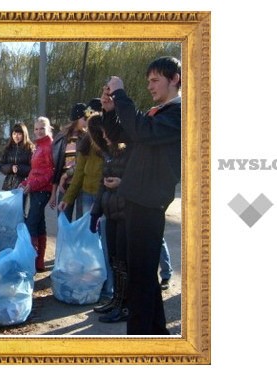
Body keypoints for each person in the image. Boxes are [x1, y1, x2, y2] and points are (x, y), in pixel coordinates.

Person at [101, 56, 181, 335]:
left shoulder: (179, 114)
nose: (150, 85)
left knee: (141, 279)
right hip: (136, 200)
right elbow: (122, 135)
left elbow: (141, 132)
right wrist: (111, 110)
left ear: (175, 80)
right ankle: (158, 335)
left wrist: (121, 94)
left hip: (149, 204)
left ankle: (141, 342)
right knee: (143, 277)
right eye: (148, 81)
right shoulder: (157, 113)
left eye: (155, 79)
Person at [87, 114, 131, 323]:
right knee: (114, 259)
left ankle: (125, 306)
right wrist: (95, 212)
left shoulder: (130, 150)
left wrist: (121, 183)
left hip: (126, 213)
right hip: (110, 212)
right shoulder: (108, 153)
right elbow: (102, 184)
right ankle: (116, 300)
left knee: (123, 261)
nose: (104, 136)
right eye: (101, 132)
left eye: (107, 131)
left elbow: (139, 179)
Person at [19, 117, 55, 272]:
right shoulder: (39, 146)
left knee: (31, 224)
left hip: (42, 190)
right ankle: (38, 263)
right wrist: (26, 183)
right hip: (35, 189)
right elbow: (35, 171)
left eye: (42, 128)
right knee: (39, 225)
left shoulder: (49, 146)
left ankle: (31, 263)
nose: (39, 131)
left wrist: (32, 185)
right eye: (36, 128)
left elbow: (50, 173)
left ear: (48, 129)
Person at [50, 102, 89, 220]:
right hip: (65, 186)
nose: (87, 121)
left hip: (82, 184)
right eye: (85, 118)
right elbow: (57, 168)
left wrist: (68, 174)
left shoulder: (88, 137)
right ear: (77, 119)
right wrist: (53, 194)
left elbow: (85, 163)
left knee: (80, 222)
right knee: (63, 220)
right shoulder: (62, 138)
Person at [0, 122, 34, 191]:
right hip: (8, 184)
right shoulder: (8, 148)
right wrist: (11, 168)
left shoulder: (30, 148)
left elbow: (33, 169)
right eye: (14, 134)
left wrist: (19, 168)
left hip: (23, 185)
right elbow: (1, 166)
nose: (16, 136)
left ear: (24, 134)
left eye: (19, 134)